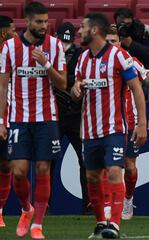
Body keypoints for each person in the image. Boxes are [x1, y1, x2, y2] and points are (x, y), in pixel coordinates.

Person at [71, 12, 147, 239]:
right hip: (89, 129)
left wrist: (142, 123)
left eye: (83, 27)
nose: (79, 31)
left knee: (115, 172)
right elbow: (78, 88)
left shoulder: (119, 56)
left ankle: (113, 225)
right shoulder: (83, 58)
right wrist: (76, 89)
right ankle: (100, 223)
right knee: (93, 177)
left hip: (114, 128)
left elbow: (136, 88)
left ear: (94, 30)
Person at [0, 2, 67, 239]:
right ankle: (26, 209)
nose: (43, 26)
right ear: (27, 22)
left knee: (42, 168)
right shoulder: (9, 47)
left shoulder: (55, 46)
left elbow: (62, 84)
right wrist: (1, 119)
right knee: (18, 171)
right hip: (18, 118)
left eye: (46, 21)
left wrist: (46, 64)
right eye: (38, 22)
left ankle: (37, 224)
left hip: (46, 118)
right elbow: (3, 83)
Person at [105, 26, 149, 220]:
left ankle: (128, 198)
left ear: (119, 43)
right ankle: (109, 204)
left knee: (129, 165)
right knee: (110, 166)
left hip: (131, 122)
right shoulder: (98, 62)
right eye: (107, 41)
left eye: (113, 41)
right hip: (109, 122)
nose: (110, 45)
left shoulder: (131, 62)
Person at [53, 22, 89, 214]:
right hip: (54, 116)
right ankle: (46, 205)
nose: (64, 46)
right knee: (47, 161)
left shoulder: (81, 56)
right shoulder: (48, 53)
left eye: (67, 43)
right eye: (62, 42)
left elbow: (80, 80)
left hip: (76, 115)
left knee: (85, 160)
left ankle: (89, 205)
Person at [0, 15, 16, 228]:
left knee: (6, 165)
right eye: (12, 29)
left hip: (8, 116)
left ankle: (0, 211)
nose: (15, 32)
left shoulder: (13, 52)